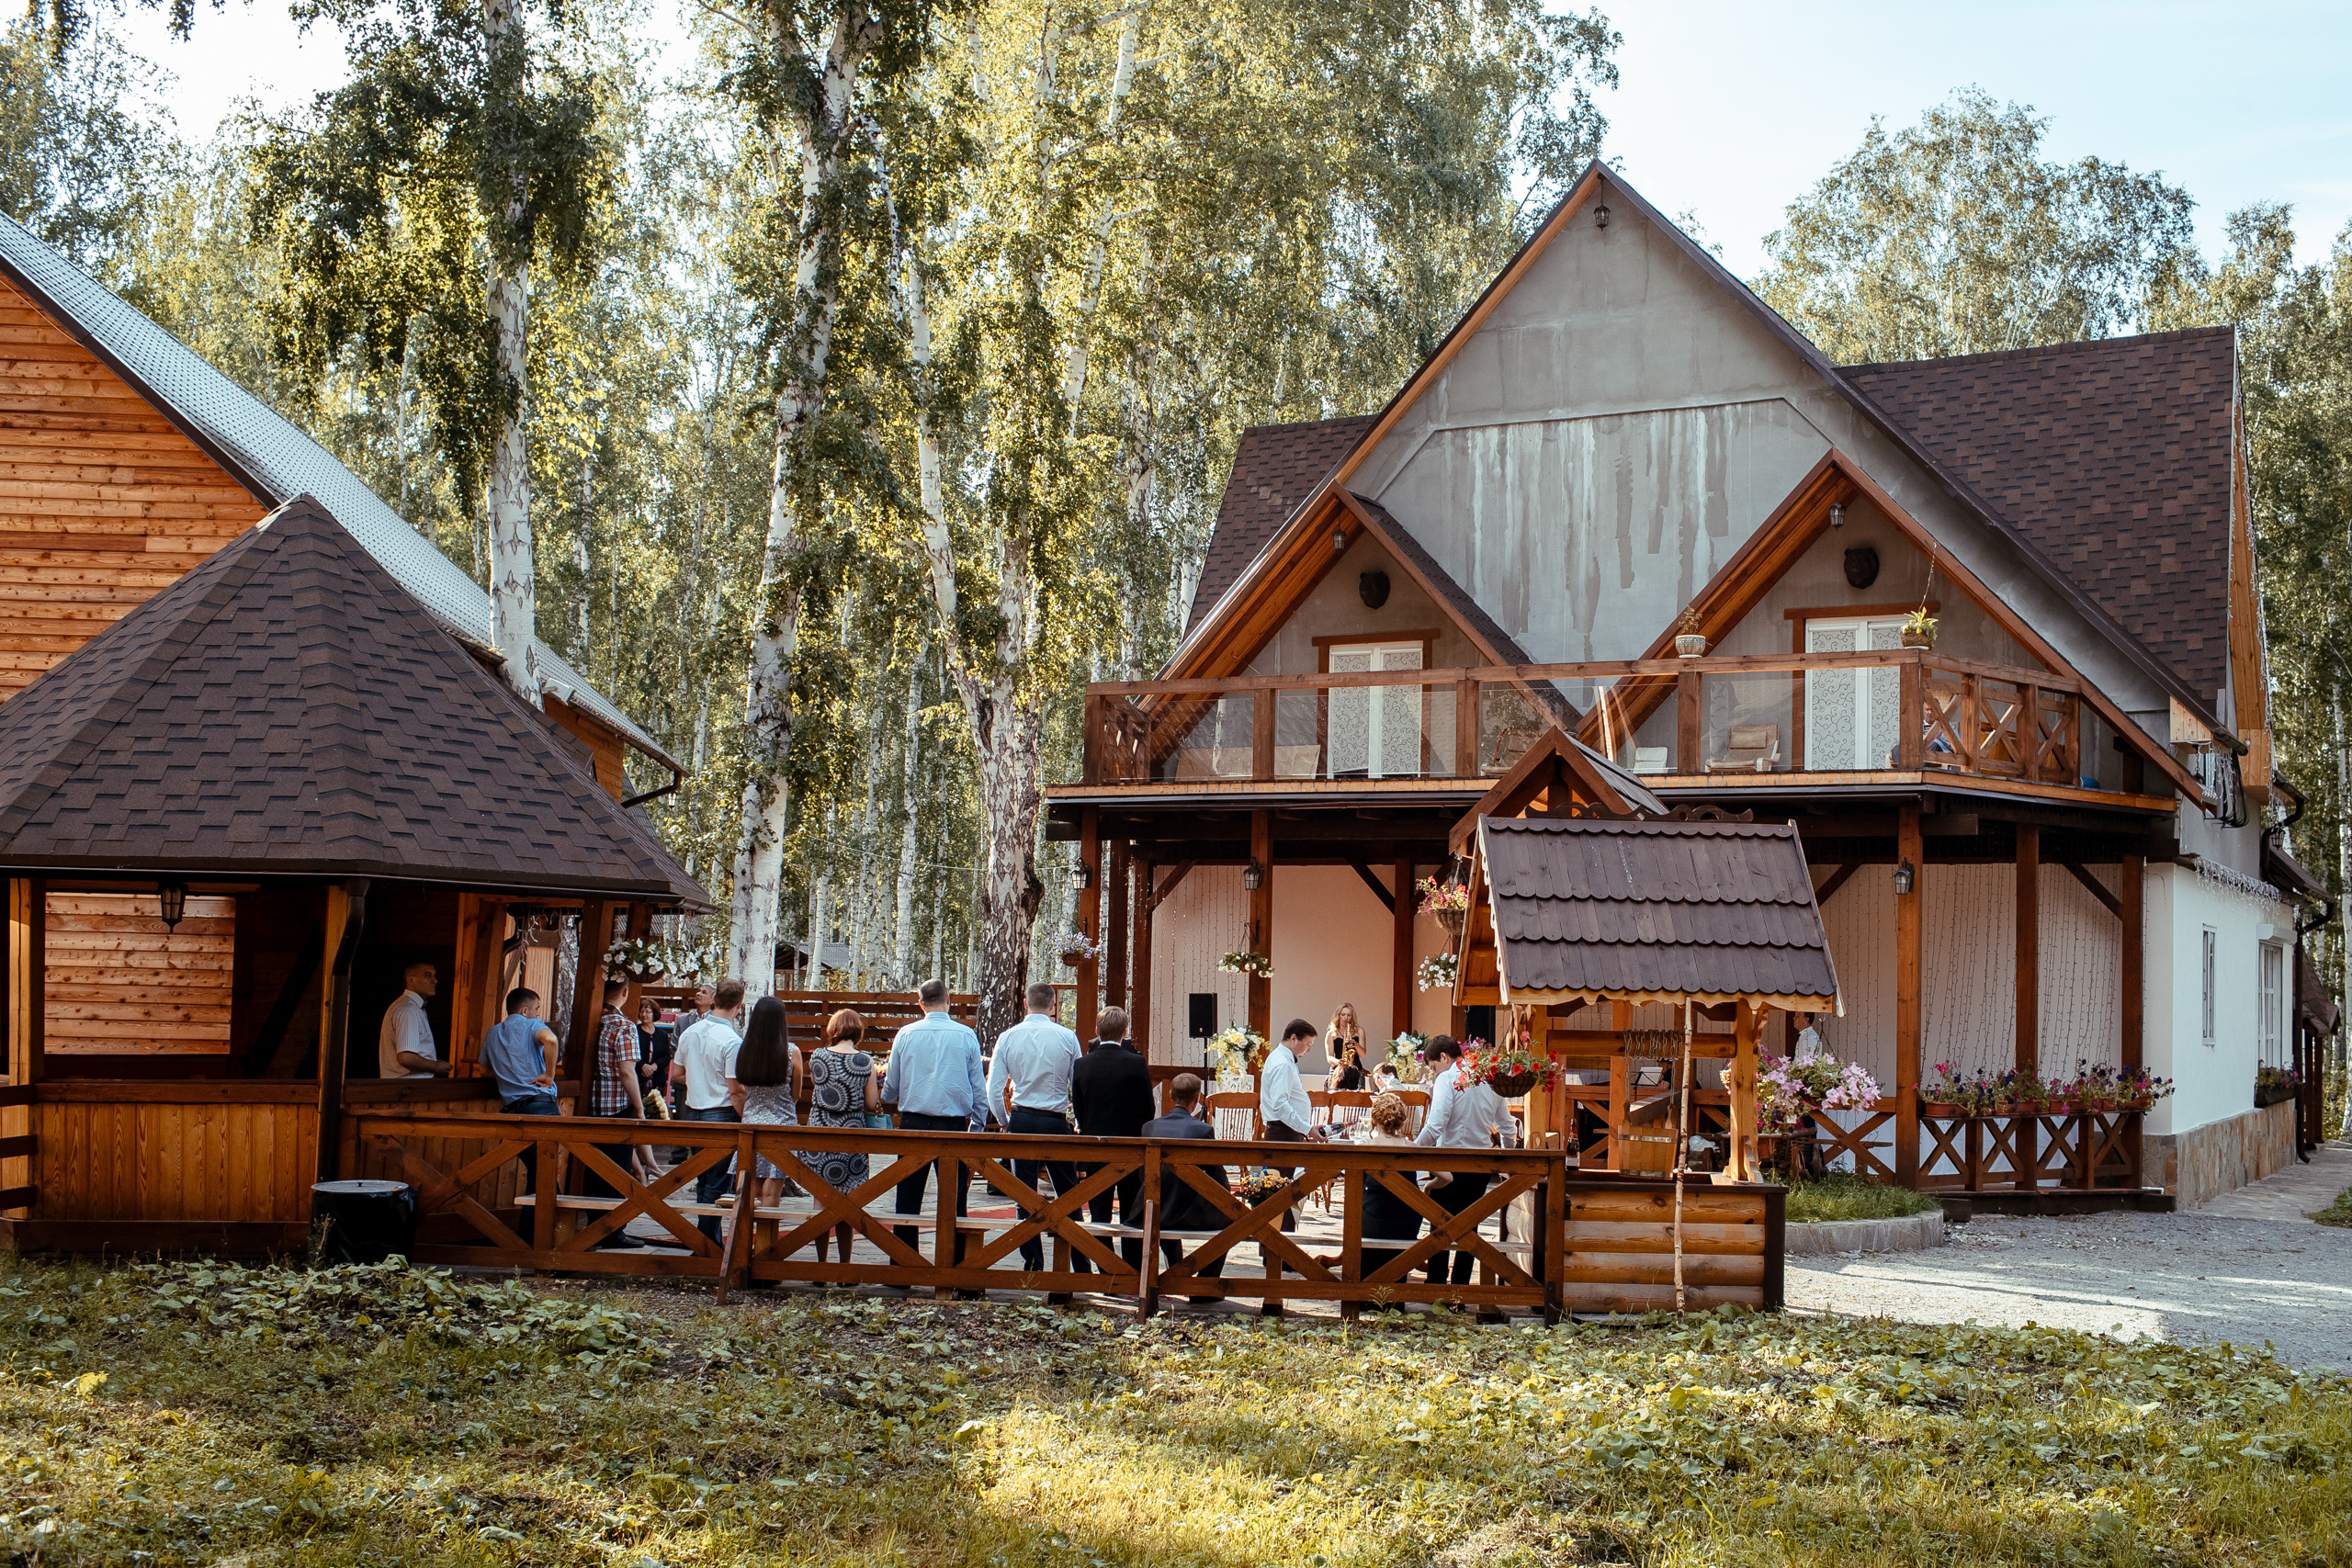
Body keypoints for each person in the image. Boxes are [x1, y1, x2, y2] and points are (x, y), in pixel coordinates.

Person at [880, 977, 986, 1286]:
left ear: (920, 1002)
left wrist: (885, 1101)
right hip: (954, 1126)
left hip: (913, 1123)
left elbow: (892, 1088)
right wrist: (977, 1127)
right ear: (949, 999)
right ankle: (957, 1267)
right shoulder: (966, 1036)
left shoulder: (906, 1034)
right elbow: (977, 1088)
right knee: (955, 1201)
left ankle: (902, 1268)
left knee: (907, 1197)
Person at [986, 982, 1084, 1271]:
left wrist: (1005, 1122)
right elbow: (1075, 1086)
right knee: (1069, 1193)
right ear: (1053, 1005)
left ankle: (1033, 1262)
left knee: (1023, 1192)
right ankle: (1078, 1263)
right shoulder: (1067, 1037)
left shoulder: (1008, 1037)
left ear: (1026, 1004)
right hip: (1054, 1120)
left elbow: (994, 1088)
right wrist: (1077, 1121)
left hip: (1022, 1119)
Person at [1415, 1033, 1510, 1288]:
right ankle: (1460, 1289)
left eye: (1434, 1067)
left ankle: (1435, 1284)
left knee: (1441, 1225)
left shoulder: (1447, 1078)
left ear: (1444, 1058)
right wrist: (1511, 1161)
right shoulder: (1489, 1077)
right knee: (1470, 1228)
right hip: (1480, 1164)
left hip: (1451, 1162)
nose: (1435, 1073)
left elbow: (1436, 1126)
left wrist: (1412, 1152)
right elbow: (1507, 1127)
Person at [1071, 1007, 1153, 1270]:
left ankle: (1106, 1269)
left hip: (1096, 1148)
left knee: (1099, 1213)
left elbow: (1080, 1109)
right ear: (1125, 1032)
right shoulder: (1136, 1062)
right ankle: (1131, 1269)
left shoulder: (1082, 1064)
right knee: (1131, 1212)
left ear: (1097, 1030)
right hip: (1130, 1148)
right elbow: (1148, 1109)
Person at [671, 978, 747, 1241]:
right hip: (722, 1112)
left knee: (704, 1179)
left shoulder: (690, 1032)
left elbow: (676, 1073)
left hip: (693, 1110)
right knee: (716, 1182)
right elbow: (735, 1089)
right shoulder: (732, 1040)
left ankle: (705, 1240)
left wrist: (698, 1079)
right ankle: (706, 1243)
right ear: (740, 1005)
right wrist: (746, 1116)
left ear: (714, 1000)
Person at [802, 1008, 880, 1264]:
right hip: (852, 1132)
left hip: (820, 1129)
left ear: (833, 1029)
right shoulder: (865, 1061)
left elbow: (820, 1088)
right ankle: (844, 1266)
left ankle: (821, 1266)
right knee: (849, 1202)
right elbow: (871, 1102)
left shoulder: (818, 1057)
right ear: (858, 1031)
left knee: (820, 1201)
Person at [1140, 1073, 1227, 1303]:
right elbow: (1218, 1175)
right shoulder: (1202, 1130)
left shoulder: (1149, 1128)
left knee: (1165, 1201)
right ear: (1198, 1099)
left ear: (1170, 1095)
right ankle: (1203, 1288)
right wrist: (1228, 1203)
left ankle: (1177, 1271)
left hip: (1150, 1211)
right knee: (1232, 1222)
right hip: (1189, 1213)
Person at [582, 978, 649, 1236]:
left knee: (596, 1169)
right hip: (617, 1104)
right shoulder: (623, 1025)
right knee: (617, 1171)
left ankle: (595, 1227)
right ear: (624, 992)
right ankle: (613, 1231)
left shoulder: (594, 1021)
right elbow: (627, 1072)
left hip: (593, 1104)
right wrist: (640, 1108)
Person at [481, 986, 563, 1192]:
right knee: (545, 1173)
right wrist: (549, 1075)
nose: (538, 1013)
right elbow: (551, 1040)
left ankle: (533, 1225)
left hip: (513, 1112)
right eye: (536, 1008)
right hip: (541, 1107)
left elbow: (484, 1071)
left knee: (538, 1172)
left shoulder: (493, 1032)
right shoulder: (532, 1024)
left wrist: (507, 1072)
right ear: (524, 1011)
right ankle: (549, 1224)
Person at [726, 997, 799, 1217]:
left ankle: (748, 1240)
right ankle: (766, 1244)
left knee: (752, 1186)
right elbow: (795, 1093)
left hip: (751, 1121)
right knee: (773, 1188)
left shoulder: (744, 1050)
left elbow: (739, 1086)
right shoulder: (790, 1051)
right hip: (782, 1122)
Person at [1357, 1090, 1424, 1295]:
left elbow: (1356, 1185)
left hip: (1375, 1218)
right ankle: (1396, 1295)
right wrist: (1428, 1188)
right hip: (1406, 1221)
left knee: (1364, 1209)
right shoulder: (1411, 1147)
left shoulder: (1366, 1147)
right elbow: (1447, 1177)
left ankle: (1367, 1294)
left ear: (1375, 1118)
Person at [379, 961, 450, 1078]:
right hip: (407, 1089)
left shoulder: (413, 1007)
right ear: (411, 980)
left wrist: (434, 1061)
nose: (435, 980)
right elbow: (406, 1057)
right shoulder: (408, 1010)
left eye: (434, 975)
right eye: (427, 975)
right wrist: (436, 1066)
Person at [634, 998, 673, 1111]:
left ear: (654, 1013)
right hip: (638, 1079)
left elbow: (667, 1056)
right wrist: (642, 1065)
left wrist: (655, 1066)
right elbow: (631, 1054)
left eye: (648, 1012)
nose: (644, 1014)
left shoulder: (662, 1034)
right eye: (642, 1011)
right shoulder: (635, 1032)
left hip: (656, 1080)